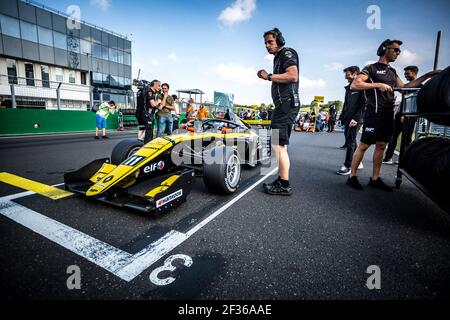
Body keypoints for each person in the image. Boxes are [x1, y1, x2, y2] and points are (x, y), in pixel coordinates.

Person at [347, 39, 440, 191]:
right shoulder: (371, 68)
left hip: (387, 115)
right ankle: (352, 176)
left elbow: (404, 88)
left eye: (399, 51)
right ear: (385, 49)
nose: (398, 53)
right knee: (364, 145)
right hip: (373, 113)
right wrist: (378, 84)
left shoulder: (392, 72)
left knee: (382, 145)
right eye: (395, 50)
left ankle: (375, 179)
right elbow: (355, 85)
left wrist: (428, 75)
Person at [257, 28, 300, 196]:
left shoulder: (287, 53)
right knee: (281, 145)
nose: (267, 46)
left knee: (277, 144)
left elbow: (292, 76)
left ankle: (284, 184)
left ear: (280, 40)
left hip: (286, 105)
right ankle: (282, 179)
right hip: (283, 105)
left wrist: (269, 76)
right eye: (265, 43)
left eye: (270, 42)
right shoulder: (278, 57)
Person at [383, 65, 419, 165]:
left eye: (408, 73)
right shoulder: (406, 86)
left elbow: (416, 103)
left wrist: (405, 115)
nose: (405, 75)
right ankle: (388, 157)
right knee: (393, 136)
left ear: (415, 73)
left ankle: (403, 159)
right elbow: (403, 100)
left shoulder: (420, 87)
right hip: (400, 115)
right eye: (405, 73)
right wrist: (398, 113)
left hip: (409, 116)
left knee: (406, 139)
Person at [336, 66, 365, 175]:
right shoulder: (348, 88)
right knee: (351, 140)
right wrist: (341, 118)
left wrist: (356, 118)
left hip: (356, 119)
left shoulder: (362, 87)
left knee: (350, 141)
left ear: (355, 74)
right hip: (347, 119)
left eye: (347, 74)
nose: (345, 76)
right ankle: (359, 161)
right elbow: (346, 105)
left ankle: (348, 166)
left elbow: (364, 104)